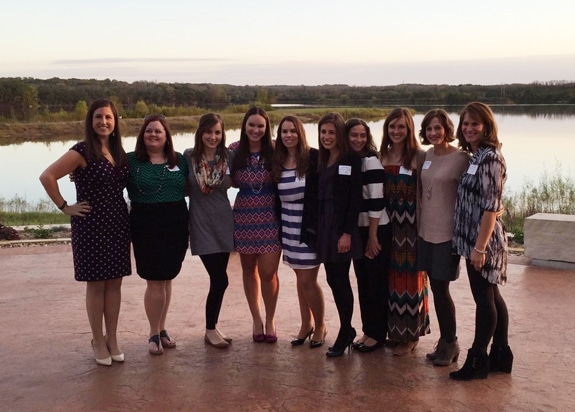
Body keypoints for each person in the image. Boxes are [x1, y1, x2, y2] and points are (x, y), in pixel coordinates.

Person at [39, 98, 131, 366]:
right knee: (97, 283)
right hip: (90, 225)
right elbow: (47, 176)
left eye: (108, 118)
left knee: (115, 282)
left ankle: (112, 338)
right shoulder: (81, 151)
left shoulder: (119, 152)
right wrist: (64, 206)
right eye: (98, 117)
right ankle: (97, 340)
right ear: (90, 122)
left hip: (117, 223)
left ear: (115, 123)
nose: (103, 122)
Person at [450, 102, 512, 380]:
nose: (469, 128)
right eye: (465, 124)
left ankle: (477, 360)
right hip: (472, 239)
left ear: (486, 126)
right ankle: (500, 355)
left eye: (475, 124)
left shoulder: (490, 158)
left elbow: (490, 207)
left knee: (483, 299)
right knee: (492, 295)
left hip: (483, 243)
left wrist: (479, 248)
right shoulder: (475, 155)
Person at [126, 115, 189, 355]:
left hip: (175, 221)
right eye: (149, 131)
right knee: (154, 280)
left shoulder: (180, 160)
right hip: (145, 223)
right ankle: (153, 332)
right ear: (143, 135)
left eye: (158, 131)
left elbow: (194, 184)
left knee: (167, 277)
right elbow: (107, 179)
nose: (153, 135)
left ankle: (162, 329)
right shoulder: (130, 161)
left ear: (166, 136)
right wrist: (77, 176)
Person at [417, 109, 470, 366]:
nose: (433, 133)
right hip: (425, 231)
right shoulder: (426, 155)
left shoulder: (462, 158)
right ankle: (444, 341)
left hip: (447, 234)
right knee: (435, 288)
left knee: (442, 288)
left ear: (447, 129)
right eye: (429, 129)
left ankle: (451, 342)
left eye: (438, 128)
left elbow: (475, 190)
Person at [271, 115, 327, 348]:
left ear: (300, 133)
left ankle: (321, 325)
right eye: (284, 131)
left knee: (308, 280)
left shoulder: (313, 157)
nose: (288, 135)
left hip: (309, 228)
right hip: (288, 227)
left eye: (293, 131)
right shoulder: (278, 160)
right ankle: (306, 324)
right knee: (299, 278)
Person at [379, 107, 430, 356]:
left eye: (401, 127)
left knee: (411, 281)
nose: (396, 131)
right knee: (390, 281)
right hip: (387, 226)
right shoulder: (381, 156)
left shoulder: (419, 157)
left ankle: (411, 335)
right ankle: (395, 332)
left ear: (409, 129)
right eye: (392, 127)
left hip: (411, 226)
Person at [229, 107, 282, 343]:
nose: (255, 130)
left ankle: (271, 319)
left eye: (260, 126)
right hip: (244, 216)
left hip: (271, 215)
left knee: (269, 273)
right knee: (248, 270)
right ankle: (256, 319)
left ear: (266, 127)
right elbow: (207, 156)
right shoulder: (234, 151)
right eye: (251, 125)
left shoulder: (275, 150)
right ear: (244, 126)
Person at [184, 113, 234, 349]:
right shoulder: (188, 158)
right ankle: (210, 330)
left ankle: (212, 327)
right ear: (200, 133)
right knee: (220, 280)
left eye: (217, 132)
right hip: (201, 224)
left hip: (224, 223)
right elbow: (158, 164)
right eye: (208, 132)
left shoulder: (229, 157)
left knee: (218, 280)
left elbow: (264, 153)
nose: (213, 136)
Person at [315, 112, 363, 358]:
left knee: (341, 280)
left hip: (340, 226)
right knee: (333, 279)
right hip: (324, 225)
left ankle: (346, 330)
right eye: (323, 132)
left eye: (331, 132)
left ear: (340, 134)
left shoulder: (350, 159)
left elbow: (355, 199)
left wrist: (346, 233)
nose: (326, 137)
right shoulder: (322, 159)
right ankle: (347, 328)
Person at [345, 118, 391, 353]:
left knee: (375, 282)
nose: (358, 139)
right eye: (354, 135)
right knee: (363, 281)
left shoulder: (371, 161)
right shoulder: (349, 160)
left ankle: (378, 333)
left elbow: (376, 200)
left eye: (363, 135)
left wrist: (373, 236)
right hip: (358, 229)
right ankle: (368, 330)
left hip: (375, 228)